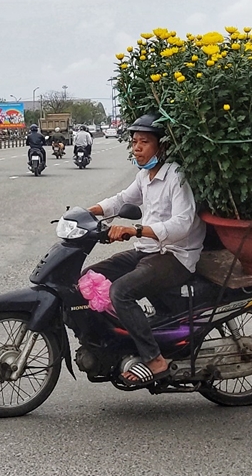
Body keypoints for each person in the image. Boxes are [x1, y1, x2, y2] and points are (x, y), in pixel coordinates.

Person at [84, 114, 205, 387]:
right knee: (88, 278)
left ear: (161, 147)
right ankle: (120, 340)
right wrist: (88, 212)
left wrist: (135, 230)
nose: (137, 147)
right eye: (135, 141)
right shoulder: (145, 176)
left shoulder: (177, 177)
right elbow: (122, 200)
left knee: (121, 291)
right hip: (149, 250)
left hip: (175, 255)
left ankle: (154, 360)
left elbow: (183, 224)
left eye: (145, 142)